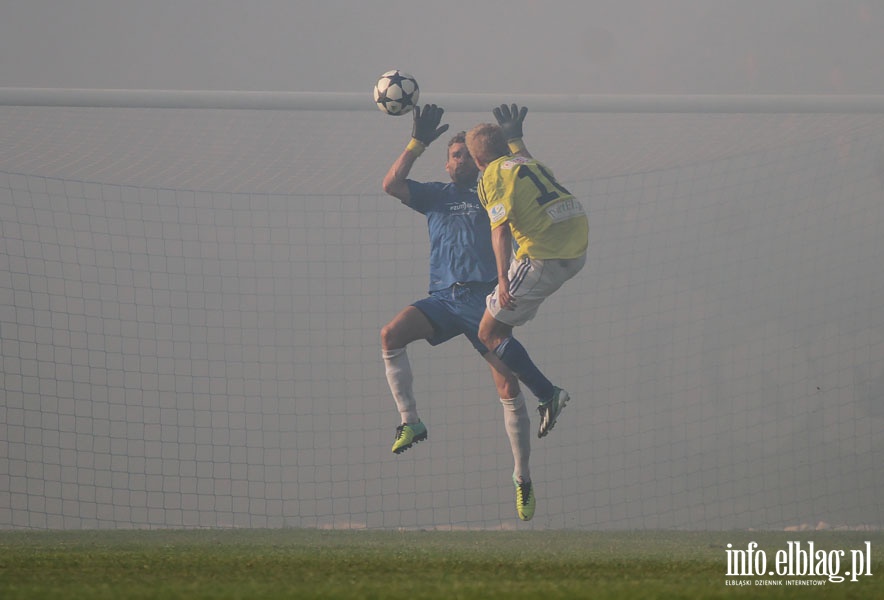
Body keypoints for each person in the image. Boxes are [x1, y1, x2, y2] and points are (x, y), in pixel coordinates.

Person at [380, 103, 564, 521]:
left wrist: (515, 139)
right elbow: (391, 183)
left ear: (479, 162)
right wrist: (417, 143)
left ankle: (522, 477)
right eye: (455, 154)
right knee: (390, 335)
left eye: (467, 153)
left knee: (508, 389)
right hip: (443, 298)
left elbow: (533, 177)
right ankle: (411, 421)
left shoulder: (493, 190)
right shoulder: (434, 195)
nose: (461, 159)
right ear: (446, 164)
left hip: (485, 302)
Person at [465, 104, 589, 439]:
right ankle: (541, 389)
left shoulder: (490, 175)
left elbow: (500, 229)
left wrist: (504, 279)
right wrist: (517, 139)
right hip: (576, 248)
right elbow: (525, 167)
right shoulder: (528, 161)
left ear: (478, 161)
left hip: (544, 256)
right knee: (501, 326)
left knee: (489, 333)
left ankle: (548, 394)